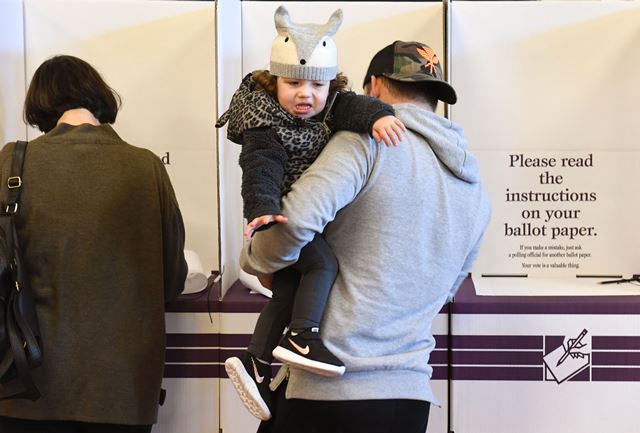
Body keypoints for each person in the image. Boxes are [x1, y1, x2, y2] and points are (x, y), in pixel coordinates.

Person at [241, 40, 491, 433]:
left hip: (331, 391)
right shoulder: (474, 188)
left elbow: (296, 223)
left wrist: (256, 259)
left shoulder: (368, 142)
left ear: (373, 86)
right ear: (437, 97)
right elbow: (447, 290)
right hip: (409, 399)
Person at [216, 6, 405, 422]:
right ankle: (303, 336)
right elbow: (260, 169)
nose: (306, 94)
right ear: (273, 82)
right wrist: (263, 210)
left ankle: (254, 360)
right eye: (294, 83)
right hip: (280, 219)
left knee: (285, 289)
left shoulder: (329, 106)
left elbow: (352, 106)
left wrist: (378, 117)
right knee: (323, 264)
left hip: (292, 221)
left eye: (317, 85)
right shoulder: (264, 122)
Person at [0, 55, 188, 433]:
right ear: (98, 96)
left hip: (23, 381)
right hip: (121, 389)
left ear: (39, 103)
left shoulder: (10, 165)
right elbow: (172, 281)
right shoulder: (146, 166)